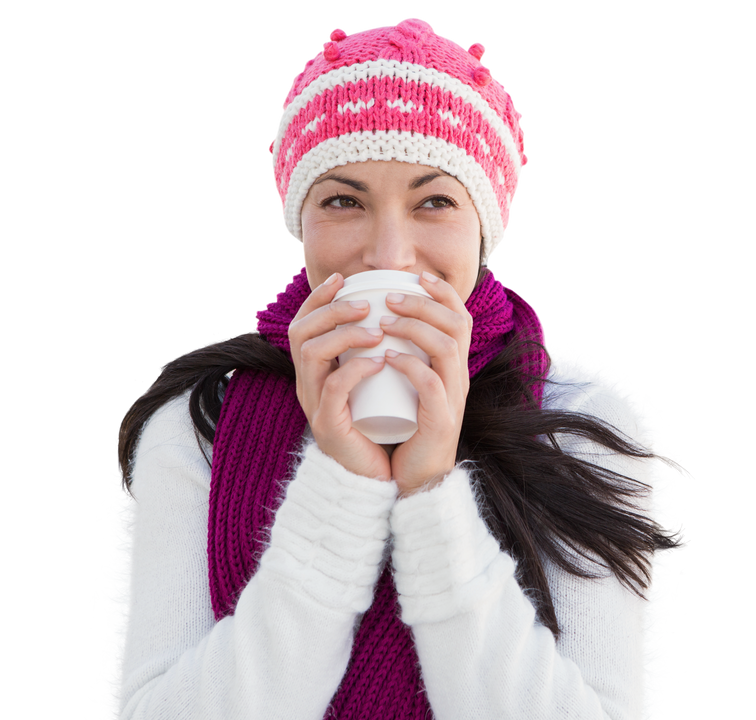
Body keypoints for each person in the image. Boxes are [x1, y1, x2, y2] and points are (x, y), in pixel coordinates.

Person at [104, 15, 694, 719]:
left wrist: (432, 493)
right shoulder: (203, 416)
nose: (388, 255)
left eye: (434, 201)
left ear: (485, 223)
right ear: (301, 218)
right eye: (344, 201)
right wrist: (342, 486)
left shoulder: (582, 417)